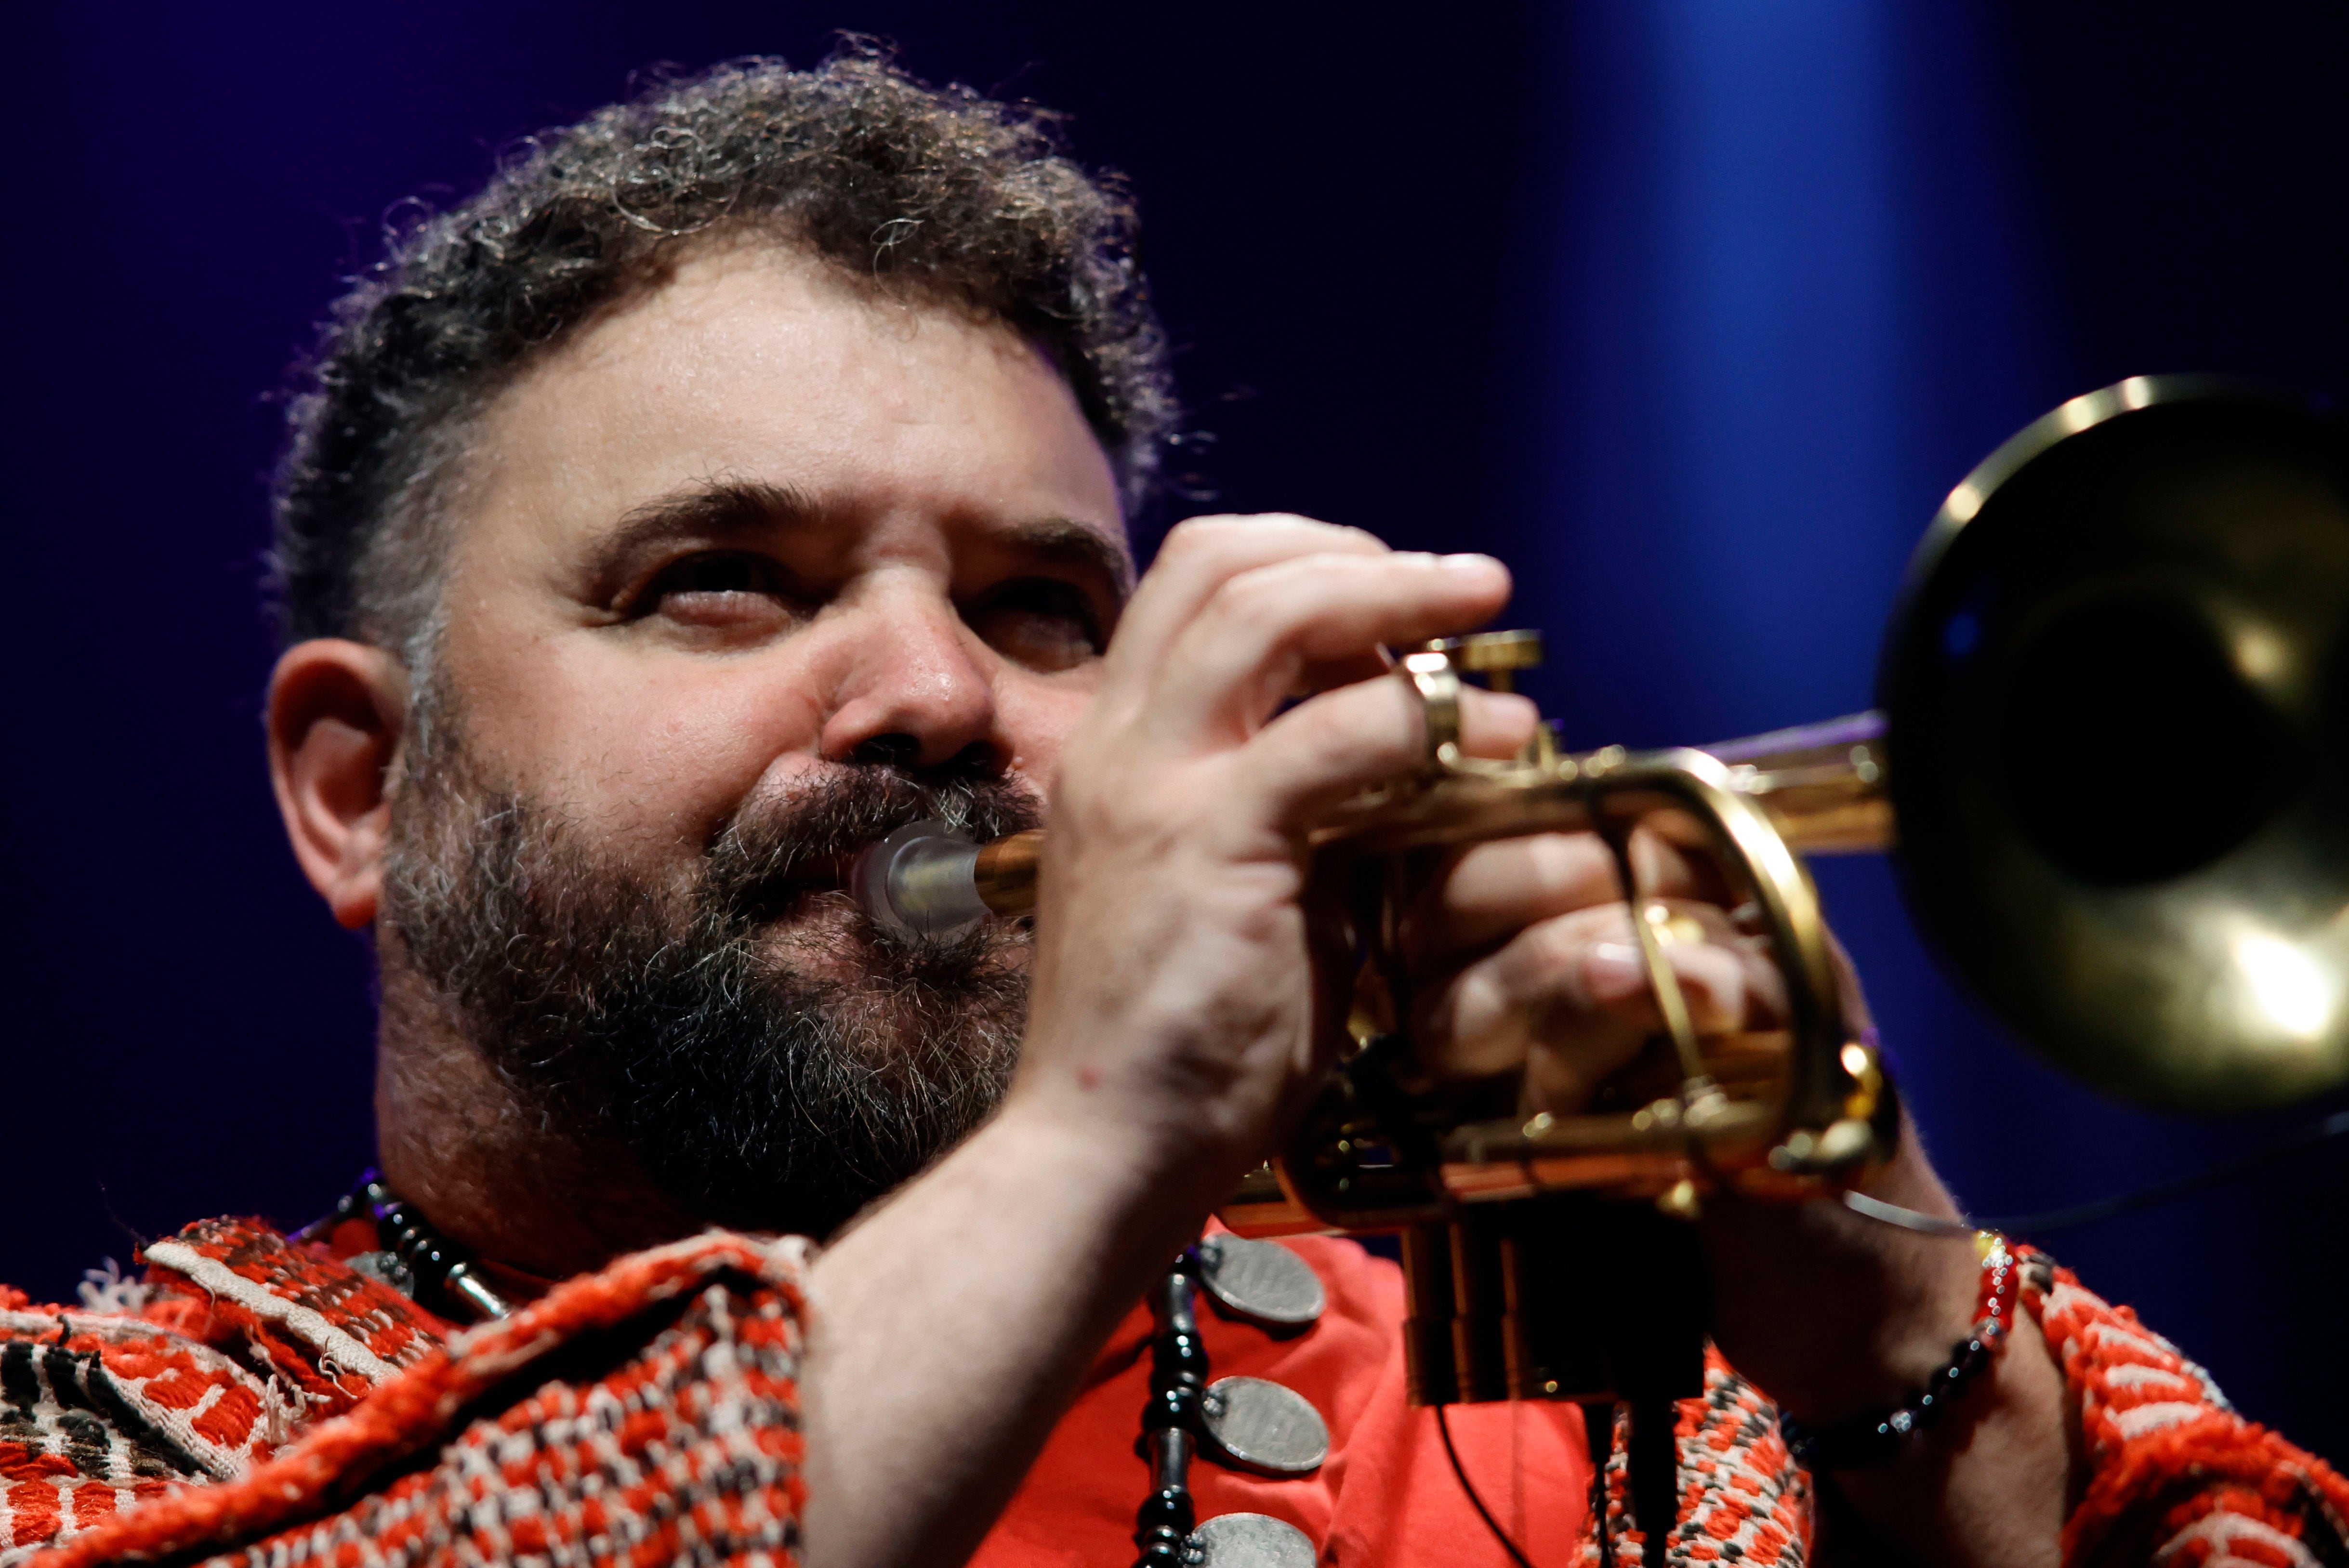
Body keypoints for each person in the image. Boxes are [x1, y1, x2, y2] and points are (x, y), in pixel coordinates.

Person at [5, 48, 2340, 1568]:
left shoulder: (1627, 1394)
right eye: (726, 584)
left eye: (1046, 606)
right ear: (360, 787)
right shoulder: (122, 1424)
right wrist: (1107, 1120)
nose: (940, 694)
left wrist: (1895, 1344)